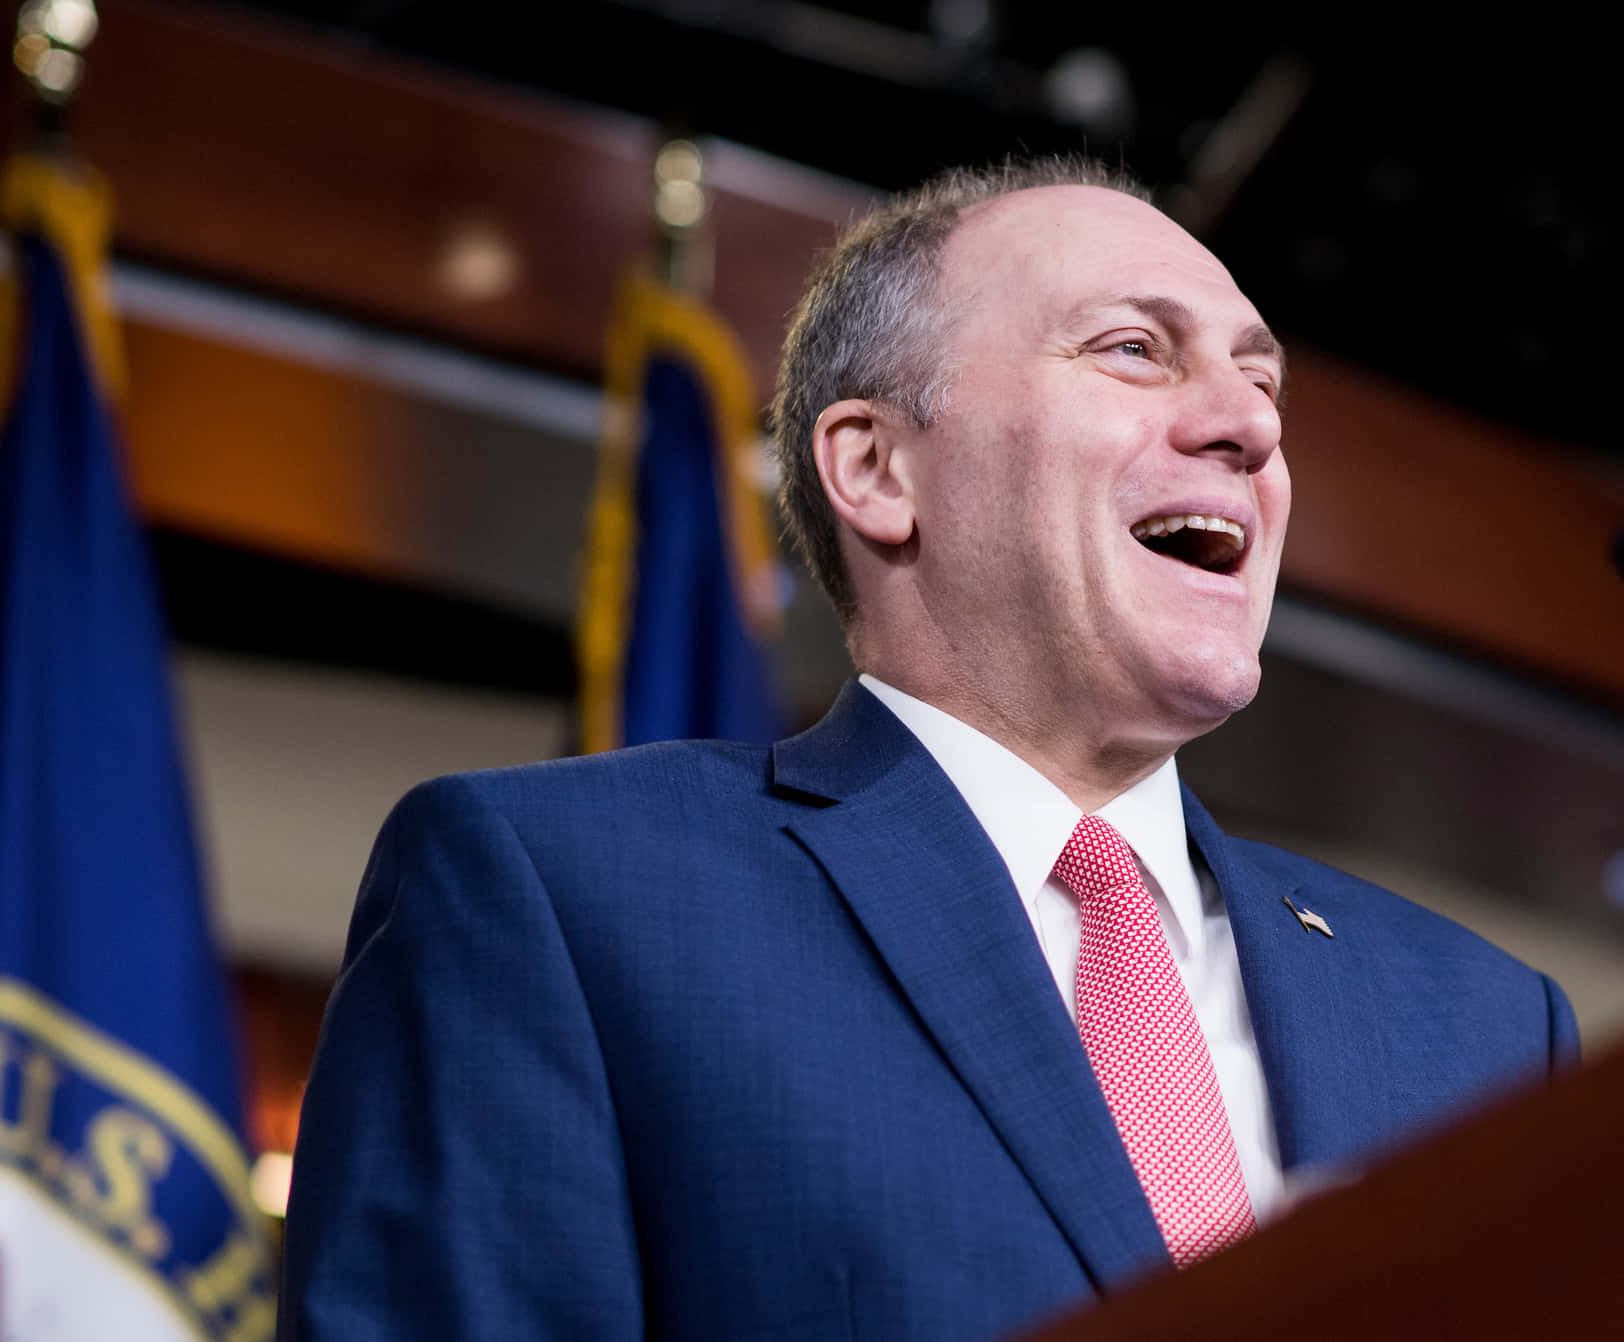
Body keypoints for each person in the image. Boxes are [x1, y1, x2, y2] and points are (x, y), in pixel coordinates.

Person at [278, 158, 1578, 1341]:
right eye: (1134, 349)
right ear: (877, 469)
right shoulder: (563, 895)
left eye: (1262, 380)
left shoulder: (1486, 1029)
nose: (1251, 427)